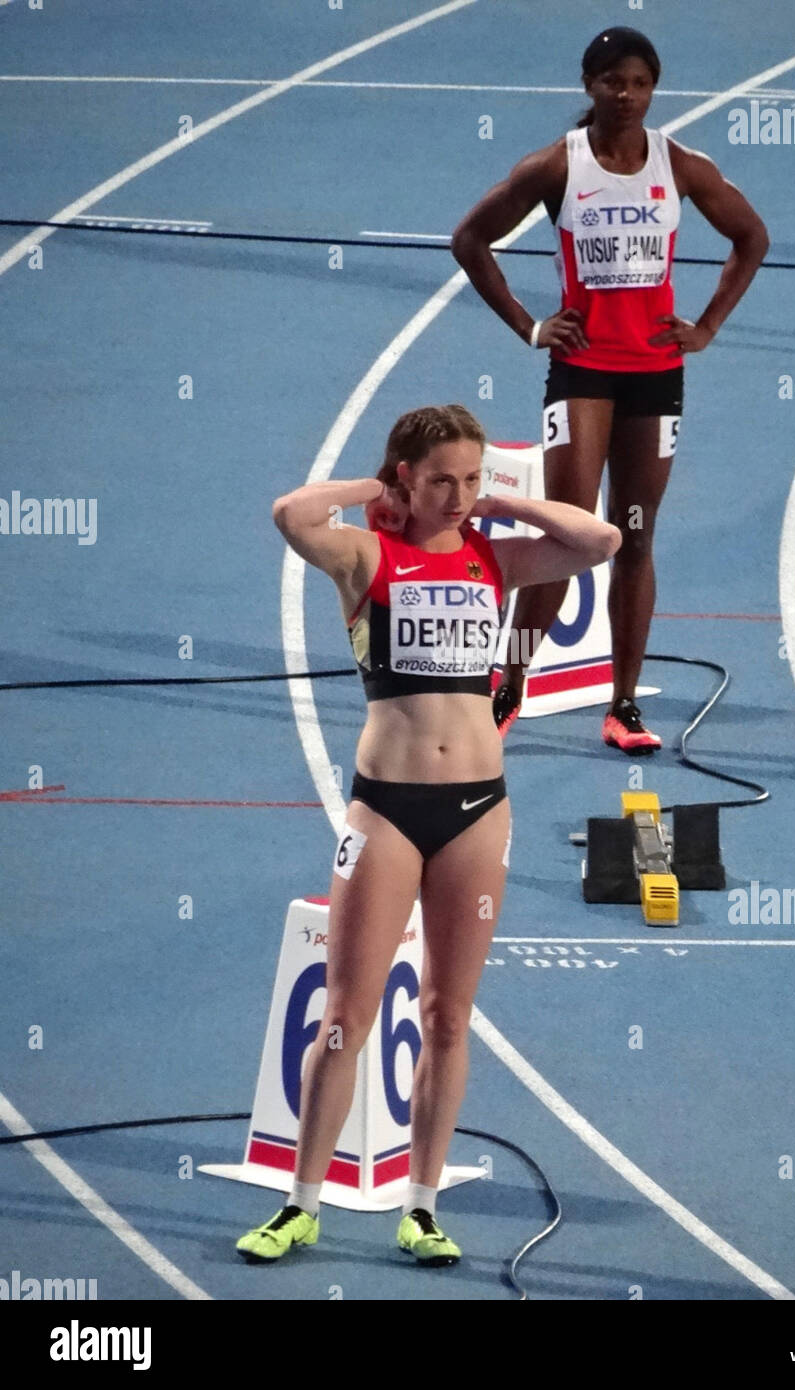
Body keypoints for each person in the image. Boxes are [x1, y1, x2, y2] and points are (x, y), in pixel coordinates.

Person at [236, 404, 620, 1267]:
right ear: (406, 477)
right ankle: (301, 1203)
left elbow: (600, 543)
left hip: (480, 810)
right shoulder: (367, 555)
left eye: (473, 478)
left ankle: (423, 1205)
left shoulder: (494, 554)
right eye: (441, 478)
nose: (460, 495)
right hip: (386, 811)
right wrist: (377, 489)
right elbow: (291, 514)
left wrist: (509, 506)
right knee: (346, 1014)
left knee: (449, 1015)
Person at [451, 25, 769, 752]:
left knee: (631, 533)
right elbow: (469, 239)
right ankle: (510, 680)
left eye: (639, 84)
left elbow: (751, 237)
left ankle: (622, 706)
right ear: (587, 86)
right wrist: (530, 327)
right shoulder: (554, 168)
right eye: (611, 83)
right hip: (585, 369)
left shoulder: (680, 166)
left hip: (655, 372)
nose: (625, 96)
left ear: (653, 89)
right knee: (567, 526)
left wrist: (709, 325)